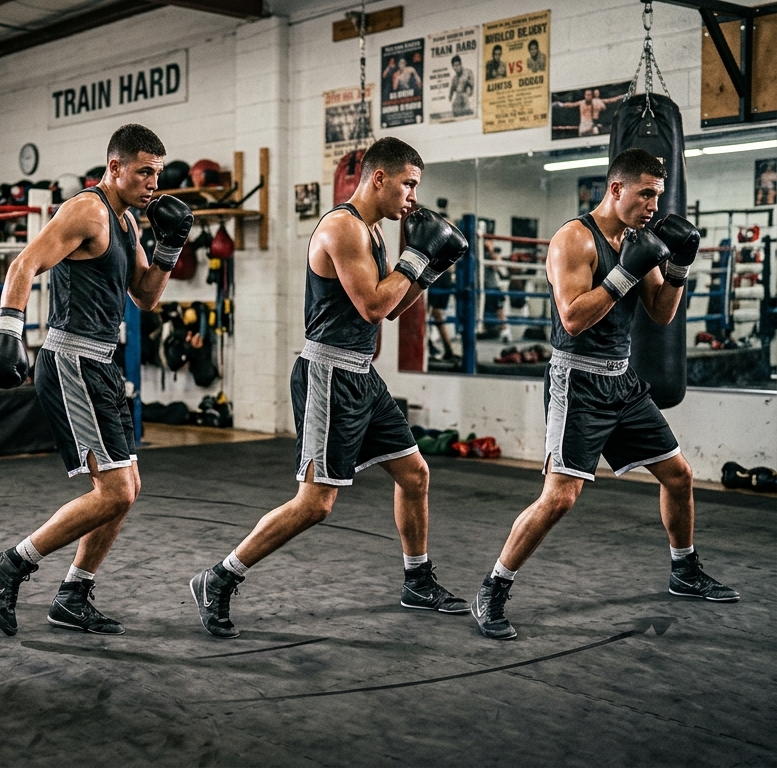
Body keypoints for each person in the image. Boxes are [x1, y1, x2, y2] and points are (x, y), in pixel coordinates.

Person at [189, 137, 470, 639]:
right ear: (378, 178)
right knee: (315, 503)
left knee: (415, 474)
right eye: (408, 184)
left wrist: (427, 269)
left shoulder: (374, 232)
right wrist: (416, 257)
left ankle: (417, 580)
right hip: (328, 374)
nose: (413, 196)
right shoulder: (343, 227)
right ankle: (219, 577)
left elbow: (391, 308)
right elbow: (373, 306)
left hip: (361, 373)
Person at [471, 148, 737, 641]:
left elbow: (660, 312)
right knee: (559, 497)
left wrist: (678, 267)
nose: (654, 205)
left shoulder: (638, 240)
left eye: (658, 195)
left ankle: (684, 569)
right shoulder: (573, 239)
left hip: (623, 381)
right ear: (616, 189)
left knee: (678, 475)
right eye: (646, 194)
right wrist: (624, 273)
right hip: (578, 383)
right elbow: (572, 318)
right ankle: (493, 588)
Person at [0, 124, 193, 636]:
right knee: (114, 491)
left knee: (127, 488)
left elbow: (146, 296)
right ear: (115, 167)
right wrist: (8, 328)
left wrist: (170, 248)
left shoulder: (128, 222)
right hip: (72, 360)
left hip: (103, 363)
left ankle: (73, 594)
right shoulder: (87, 210)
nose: (153, 183)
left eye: (157, 173)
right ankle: (9, 565)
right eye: (144, 172)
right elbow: (25, 263)